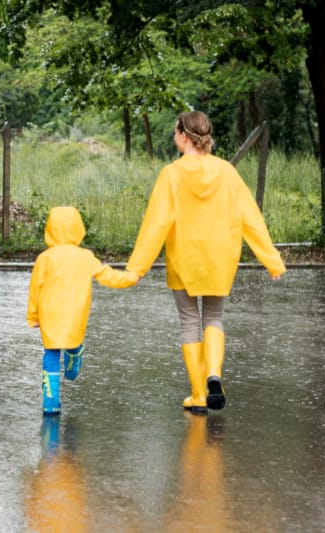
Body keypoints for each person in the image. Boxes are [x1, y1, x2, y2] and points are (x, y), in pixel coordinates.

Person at [126, 110, 285, 413]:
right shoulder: (226, 172)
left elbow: (156, 224)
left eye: (175, 132)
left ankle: (199, 394)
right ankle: (215, 375)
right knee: (213, 318)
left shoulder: (171, 174)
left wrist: (137, 268)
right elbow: (250, 217)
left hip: (184, 258)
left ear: (184, 136)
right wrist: (271, 259)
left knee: (189, 323)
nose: (174, 137)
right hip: (219, 257)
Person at [27, 206, 138, 416]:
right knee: (72, 340)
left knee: (50, 353)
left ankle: (50, 401)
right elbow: (106, 275)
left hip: (49, 313)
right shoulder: (85, 256)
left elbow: (35, 288)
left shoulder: (45, 258)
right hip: (75, 313)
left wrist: (33, 315)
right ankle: (74, 358)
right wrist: (130, 278)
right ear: (78, 228)